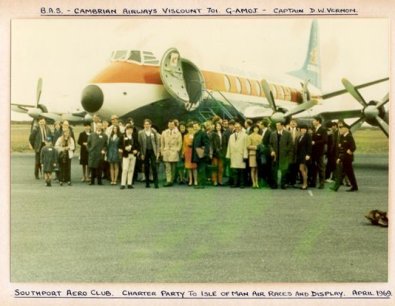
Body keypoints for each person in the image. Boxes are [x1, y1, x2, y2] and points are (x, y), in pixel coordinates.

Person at [330, 124, 358, 192]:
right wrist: (339, 157)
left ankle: (336, 187)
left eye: (342, 128)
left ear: (346, 129)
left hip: (347, 159)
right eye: (340, 128)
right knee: (348, 173)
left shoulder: (349, 137)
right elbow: (341, 149)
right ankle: (354, 187)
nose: (340, 129)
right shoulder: (342, 137)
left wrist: (350, 151)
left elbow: (353, 147)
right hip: (343, 157)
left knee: (344, 173)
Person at [269, 121, 292, 189]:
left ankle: (283, 184)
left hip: (284, 155)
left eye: (278, 125)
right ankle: (274, 184)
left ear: (282, 126)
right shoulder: (273, 134)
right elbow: (270, 144)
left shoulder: (287, 134)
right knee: (274, 170)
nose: (277, 127)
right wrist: (272, 150)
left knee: (284, 170)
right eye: (276, 125)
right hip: (275, 155)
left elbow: (290, 144)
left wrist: (285, 150)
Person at [138, 119, 160, 188]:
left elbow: (157, 142)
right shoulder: (140, 133)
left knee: (154, 166)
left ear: (150, 125)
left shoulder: (154, 131)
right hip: (145, 151)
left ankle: (156, 182)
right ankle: (147, 182)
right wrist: (141, 153)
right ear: (143, 125)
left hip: (152, 151)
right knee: (146, 167)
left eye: (148, 124)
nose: (147, 125)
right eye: (145, 124)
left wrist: (157, 151)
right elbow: (140, 144)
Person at [226, 122, 248, 188]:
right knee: (234, 170)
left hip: (240, 154)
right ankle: (235, 183)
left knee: (241, 171)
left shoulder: (245, 135)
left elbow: (245, 146)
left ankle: (242, 184)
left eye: (238, 127)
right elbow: (229, 146)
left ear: (241, 127)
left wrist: (245, 155)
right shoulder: (231, 136)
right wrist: (228, 155)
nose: (237, 128)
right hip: (233, 155)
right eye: (236, 127)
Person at [161, 119, 182, 187]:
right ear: (168, 125)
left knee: (173, 167)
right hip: (166, 151)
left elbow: (180, 143)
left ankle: (172, 180)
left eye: (172, 124)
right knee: (167, 167)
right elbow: (162, 143)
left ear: (174, 125)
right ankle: (168, 180)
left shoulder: (178, 133)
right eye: (169, 124)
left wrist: (177, 150)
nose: (171, 126)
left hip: (174, 152)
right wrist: (162, 151)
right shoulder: (164, 132)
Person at [119, 124, 140, 189]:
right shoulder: (122, 136)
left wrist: (136, 150)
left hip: (133, 155)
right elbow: (119, 145)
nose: (130, 131)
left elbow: (138, 145)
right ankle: (123, 184)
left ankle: (129, 183)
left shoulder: (134, 136)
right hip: (126, 155)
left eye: (131, 130)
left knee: (131, 169)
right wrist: (124, 148)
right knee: (125, 169)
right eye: (128, 129)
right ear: (126, 130)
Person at [310, 116, 328, 189]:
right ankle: (313, 183)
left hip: (319, 152)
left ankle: (321, 184)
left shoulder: (323, 129)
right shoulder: (314, 129)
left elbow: (325, 140)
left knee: (321, 168)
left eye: (314, 120)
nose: (313, 122)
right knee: (313, 167)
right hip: (314, 152)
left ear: (318, 121)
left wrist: (315, 142)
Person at [191, 121, 210, 189]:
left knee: (201, 169)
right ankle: (200, 183)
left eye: (196, 127)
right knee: (199, 169)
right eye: (194, 127)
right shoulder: (196, 134)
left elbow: (207, 144)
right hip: (197, 154)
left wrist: (205, 153)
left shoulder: (203, 134)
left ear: (199, 126)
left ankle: (201, 184)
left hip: (202, 154)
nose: (195, 128)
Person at [296, 124, 312, 190]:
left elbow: (309, 146)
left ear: (306, 130)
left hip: (305, 155)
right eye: (302, 129)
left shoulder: (308, 136)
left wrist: (308, 154)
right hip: (300, 155)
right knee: (304, 170)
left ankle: (305, 184)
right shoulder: (300, 136)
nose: (303, 130)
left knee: (302, 169)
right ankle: (305, 183)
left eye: (304, 129)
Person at [247, 124, 262, 188]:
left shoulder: (260, 136)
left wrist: (260, 147)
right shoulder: (250, 136)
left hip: (259, 154)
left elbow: (262, 145)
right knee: (253, 168)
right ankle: (253, 182)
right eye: (255, 128)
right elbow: (248, 146)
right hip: (252, 154)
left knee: (257, 169)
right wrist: (255, 147)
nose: (256, 129)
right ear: (253, 129)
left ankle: (257, 182)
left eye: (257, 128)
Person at [211, 121, 225, 186]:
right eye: (217, 126)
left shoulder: (223, 133)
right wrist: (215, 150)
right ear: (215, 127)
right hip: (215, 153)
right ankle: (214, 181)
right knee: (215, 167)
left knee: (220, 168)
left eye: (219, 126)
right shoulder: (213, 134)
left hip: (222, 152)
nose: (218, 127)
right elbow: (212, 144)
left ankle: (220, 180)